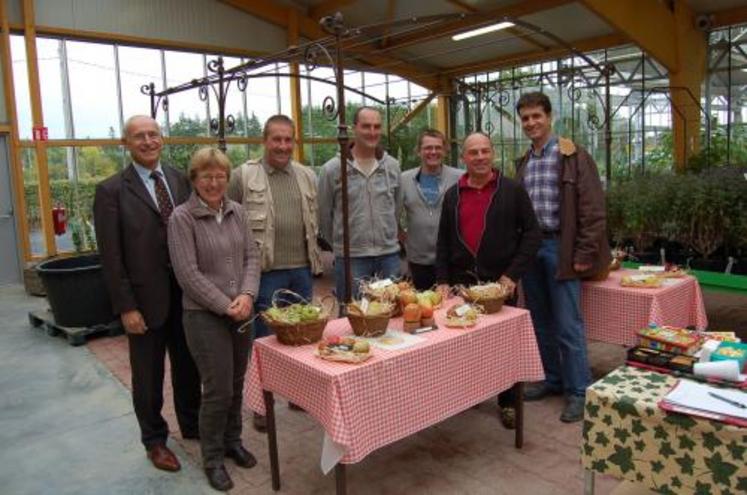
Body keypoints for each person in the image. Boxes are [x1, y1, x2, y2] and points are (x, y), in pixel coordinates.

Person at [93, 115, 201, 472]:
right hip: (144, 302)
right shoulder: (111, 191)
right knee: (148, 376)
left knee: (188, 367)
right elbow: (111, 257)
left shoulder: (179, 179)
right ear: (126, 143)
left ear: (162, 139)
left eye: (153, 134)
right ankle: (154, 441)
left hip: (185, 297)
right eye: (139, 136)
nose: (148, 141)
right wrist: (126, 307)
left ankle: (192, 423)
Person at [514, 92, 611, 423]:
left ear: (549, 116)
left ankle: (579, 391)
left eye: (536, 116)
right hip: (532, 250)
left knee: (569, 325)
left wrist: (584, 251)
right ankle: (552, 380)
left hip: (561, 248)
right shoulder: (524, 162)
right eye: (525, 118)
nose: (531, 123)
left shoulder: (573, 157)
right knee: (540, 321)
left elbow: (593, 209)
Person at [168, 147, 260, 491]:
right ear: (194, 179)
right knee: (218, 389)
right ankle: (213, 458)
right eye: (206, 175)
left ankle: (233, 441)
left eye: (220, 175)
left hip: (241, 309)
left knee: (237, 382)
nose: (214, 182)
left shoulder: (237, 211)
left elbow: (252, 256)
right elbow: (187, 273)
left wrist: (248, 295)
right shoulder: (182, 218)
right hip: (204, 316)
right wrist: (226, 305)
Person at [436, 132, 541, 428]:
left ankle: (508, 402)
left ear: (492, 154)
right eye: (473, 152)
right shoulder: (453, 195)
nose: (480, 157)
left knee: (503, 346)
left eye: (484, 151)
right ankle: (468, 394)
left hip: (499, 286)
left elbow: (532, 235)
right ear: (463, 158)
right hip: (462, 286)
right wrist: (442, 279)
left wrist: (512, 275)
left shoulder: (512, 190)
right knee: (463, 343)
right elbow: (443, 241)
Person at [227, 114, 321, 431]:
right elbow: (228, 219)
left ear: (295, 141)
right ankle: (262, 404)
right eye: (276, 139)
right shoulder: (244, 175)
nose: (282, 146)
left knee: (302, 338)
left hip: (301, 270)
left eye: (288, 139)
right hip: (265, 272)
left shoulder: (307, 175)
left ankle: (297, 395)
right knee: (265, 341)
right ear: (264, 140)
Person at [318, 106, 402, 302]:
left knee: (390, 311)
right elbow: (324, 214)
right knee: (352, 314)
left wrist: (387, 232)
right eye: (366, 126)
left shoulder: (392, 166)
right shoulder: (332, 169)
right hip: (351, 258)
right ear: (354, 128)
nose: (372, 132)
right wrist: (341, 244)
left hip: (388, 255)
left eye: (376, 126)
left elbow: (396, 208)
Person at [400, 129, 463, 290]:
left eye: (438, 147)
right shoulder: (405, 179)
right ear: (418, 151)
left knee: (452, 309)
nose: (433, 152)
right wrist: (404, 238)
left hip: (452, 260)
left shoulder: (460, 177)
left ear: (445, 150)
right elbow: (393, 215)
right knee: (423, 308)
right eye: (428, 148)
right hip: (419, 260)